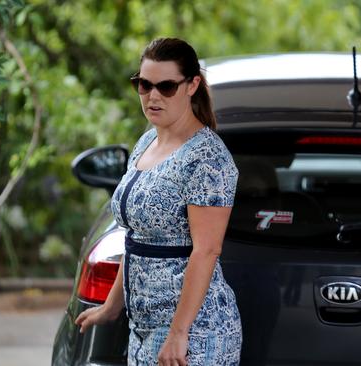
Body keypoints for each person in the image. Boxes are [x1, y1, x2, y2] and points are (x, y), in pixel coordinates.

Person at [75, 37, 242, 366]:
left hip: (195, 335)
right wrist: (111, 308)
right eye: (144, 84)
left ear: (192, 85)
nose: (153, 96)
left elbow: (206, 250)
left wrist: (179, 334)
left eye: (166, 86)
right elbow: (137, 236)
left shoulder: (207, 158)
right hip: (144, 330)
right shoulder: (148, 140)